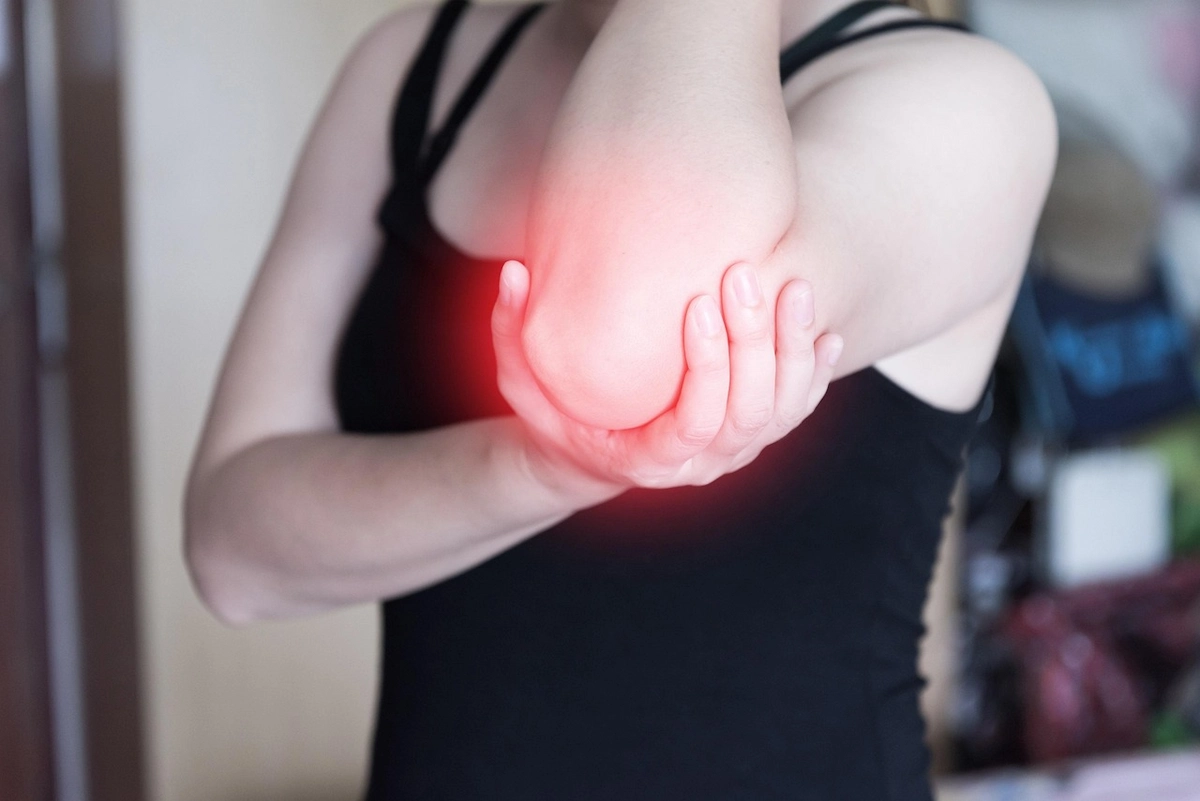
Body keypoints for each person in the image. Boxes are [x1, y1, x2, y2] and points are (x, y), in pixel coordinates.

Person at [183, 0, 1057, 798]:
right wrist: (536, 465)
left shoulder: (963, 106)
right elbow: (235, 556)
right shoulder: (419, 64)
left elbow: (629, 351)